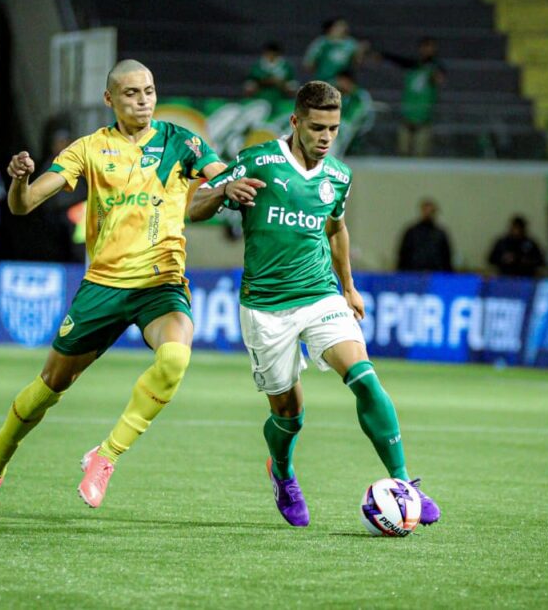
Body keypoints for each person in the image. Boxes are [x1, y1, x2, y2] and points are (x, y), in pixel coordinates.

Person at [0, 60, 226, 517]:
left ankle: (106, 456)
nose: (143, 101)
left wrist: (233, 185)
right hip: (103, 286)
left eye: (149, 91)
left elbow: (220, 180)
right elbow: (24, 204)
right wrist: (19, 180)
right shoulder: (89, 148)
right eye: (131, 93)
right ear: (109, 99)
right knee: (49, 387)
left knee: (176, 356)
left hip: (160, 283)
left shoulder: (182, 142)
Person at [188, 81, 440, 528]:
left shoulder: (338, 175)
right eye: (317, 128)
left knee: (365, 379)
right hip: (266, 306)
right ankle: (282, 471)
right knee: (289, 415)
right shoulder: (258, 160)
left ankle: (404, 482)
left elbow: (336, 228)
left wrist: (348, 287)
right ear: (295, 122)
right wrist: (224, 192)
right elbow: (195, 206)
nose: (326, 138)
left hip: (320, 293)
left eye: (333, 129)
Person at [382, 38, 446, 157]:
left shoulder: (435, 67)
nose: (427, 51)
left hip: (424, 118)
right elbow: (399, 61)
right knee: (403, 152)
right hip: (407, 115)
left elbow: (439, 79)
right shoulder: (413, 65)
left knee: (420, 154)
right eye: (425, 47)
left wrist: (434, 74)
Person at [396, 198, 453, 273]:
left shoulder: (440, 234)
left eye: (431, 211)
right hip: (414, 274)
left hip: (436, 274)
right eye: (426, 210)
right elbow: (403, 254)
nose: (428, 214)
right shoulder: (411, 232)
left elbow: (446, 256)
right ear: (422, 211)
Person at [303, 18, 365, 84]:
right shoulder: (321, 43)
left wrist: (360, 53)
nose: (344, 28)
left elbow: (357, 63)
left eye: (345, 26)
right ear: (331, 28)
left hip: (343, 82)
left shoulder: (351, 43)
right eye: (340, 26)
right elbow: (308, 64)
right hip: (324, 80)